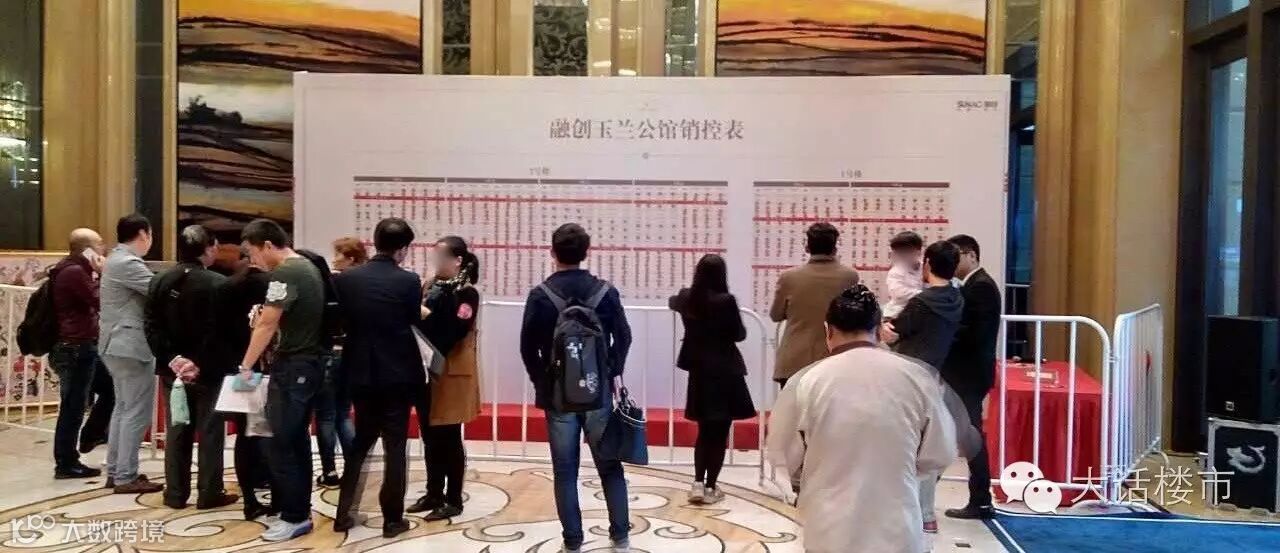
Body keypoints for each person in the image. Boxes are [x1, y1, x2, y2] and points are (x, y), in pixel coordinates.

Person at [766, 285, 958, 553]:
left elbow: (783, 456)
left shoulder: (806, 381)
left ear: (828, 331)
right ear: (879, 330)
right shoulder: (916, 378)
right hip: (897, 523)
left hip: (829, 527)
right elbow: (941, 452)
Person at [520, 223, 633, 553]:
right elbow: (624, 337)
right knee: (609, 465)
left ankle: (572, 540)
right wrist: (611, 371)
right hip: (598, 393)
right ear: (586, 253)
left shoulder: (541, 295)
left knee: (565, 470)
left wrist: (542, 382)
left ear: (552, 253)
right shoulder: (604, 292)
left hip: (558, 396)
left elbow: (527, 347)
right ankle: (620, 535)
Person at [331, 218, 424, 539]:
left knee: (361, 441)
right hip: (398, 373)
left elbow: (342, 321)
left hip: (359, 371)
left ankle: (344, 513)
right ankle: (392, 519)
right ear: (403, 249)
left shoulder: (347, 279)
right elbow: (413, 319)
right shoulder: (408, 281)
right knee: (395, 445)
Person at [237, 219, 326, 541]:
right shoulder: (308, 267)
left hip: (294, 366)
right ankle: (298, 510)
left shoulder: (285, 273)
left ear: (267, 245)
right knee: (295, 441)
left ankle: (294, 515)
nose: (253, 261)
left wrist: (246, 365)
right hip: (307, 364)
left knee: (280, 442)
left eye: (253, 253)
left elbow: (267, 323)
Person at [145, 225, 239, 510]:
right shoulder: (219, 284)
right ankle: (210, 492)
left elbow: (151, 325)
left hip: (171, 371)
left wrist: (173, 359)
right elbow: (221, 332)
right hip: (208, 370)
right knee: (210, 431)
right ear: (208, 248)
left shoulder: (159, 280)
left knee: (177, 429)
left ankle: (175, 493)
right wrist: (198, 362)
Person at [882, 239, 963, 532]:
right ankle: (926, 513)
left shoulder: (922, 303)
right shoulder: (956, 298)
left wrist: (882, 327)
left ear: (927, 264)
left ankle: (909, 512)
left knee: (905, 447)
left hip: (907, 381)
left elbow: (894, 333)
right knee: (927, 449)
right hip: (934, 379)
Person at [669, 254, 756, 505]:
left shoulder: (686, 298)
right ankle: (711, 486)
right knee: (719, 433)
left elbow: (672, 301)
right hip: (725, 371)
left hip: (699, 371)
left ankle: (697, 482)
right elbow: (739, 334)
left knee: (704, 431)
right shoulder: (726, 301)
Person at [408, 236, 482, 521]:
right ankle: (433, 492)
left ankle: (453, 499)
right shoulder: (429, 286)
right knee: (429, 435)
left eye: (441, 256)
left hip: (450, 373)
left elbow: (454, 332)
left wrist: (426, 315)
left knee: (449, 437)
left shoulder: (467, 293)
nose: (435, 262)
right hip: (425, 370)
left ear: (457, 260)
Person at [212, 249, 276, 521]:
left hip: (239, 369)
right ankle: (275, 491)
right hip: (267, 367)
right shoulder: (273, 285)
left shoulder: (226, 286)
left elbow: (216, 331)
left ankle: (249, 498)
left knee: (244, 434)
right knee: (270, 431)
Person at [99, 214, 162, 494]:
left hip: (115, 344)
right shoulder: (127, 262)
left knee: (123, 409)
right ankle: (125, 476)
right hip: (129, 345)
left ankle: (116, 471)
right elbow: (158, 290)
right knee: (136, 412)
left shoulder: (115, 259)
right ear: (143, 234)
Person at [943, 234, 1003, 521]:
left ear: (971, 255)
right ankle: (979, 499)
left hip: (969, 375)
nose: (952, 263)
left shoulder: (981, 287)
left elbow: (973, 334)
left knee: (971, 438)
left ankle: (981, 500)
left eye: (956, 256)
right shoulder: (972, 286)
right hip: (966, 374)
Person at [49, 228, 112, 479]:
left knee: (110, 387)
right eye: (99, 244)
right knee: (73, 406)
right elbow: (101, 300)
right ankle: (66, 462)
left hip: (82, 346)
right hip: (74, 348)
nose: (104, 248)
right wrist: (103, 273)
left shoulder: (74, 269)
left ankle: (92, 434)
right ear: (87, 249)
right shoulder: (74, 272)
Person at [769, 222, 859, 388]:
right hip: (834, 359)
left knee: (793, 404)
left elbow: (776, 315)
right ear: (835, 249)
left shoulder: (789, 277)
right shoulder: (850, 277)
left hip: (795, 359)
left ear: (807, 247)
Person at [297, 249, 353, 489]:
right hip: (347, 353)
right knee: (344, 415)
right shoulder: (341, 287)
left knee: (326, 416)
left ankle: (329, 471)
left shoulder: (312, 291)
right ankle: (353, 467)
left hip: (323, 355)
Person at [883, 230, 924, 320]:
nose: (902, 255)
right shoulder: (895, 272)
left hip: (921, 313)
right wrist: (927, 294)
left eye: (905, 251)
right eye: (899, 252)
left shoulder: (926, 268)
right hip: (897, 314)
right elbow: (899, 294)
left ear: (918, 251)